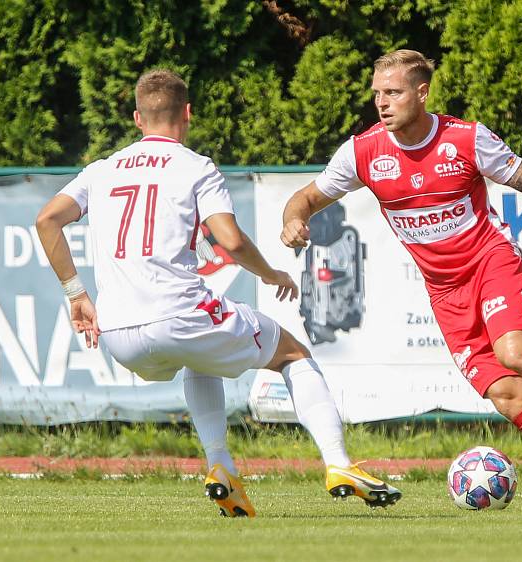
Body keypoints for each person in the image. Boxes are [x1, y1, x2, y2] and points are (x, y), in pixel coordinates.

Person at [281, 50, 522, 511]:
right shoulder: (363, 152)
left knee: (515, 353)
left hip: (490, 261)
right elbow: (303, 198)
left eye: (393, 93)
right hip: (444, 292)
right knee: (509, 398)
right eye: (377, 94)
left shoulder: (465, 140)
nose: (381, 103)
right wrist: (293, 221)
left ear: (422, 93)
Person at [36, 69, 401, 518]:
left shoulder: (101, 170)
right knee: (292, 354)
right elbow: (228, 239)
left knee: (200, 357)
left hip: (117, 333)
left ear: (136, 118)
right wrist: (270, 274)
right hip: (179, 314)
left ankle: (220, 467)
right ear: (187, 113)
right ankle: (339, 464)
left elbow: (47, 220)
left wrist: (76, 294)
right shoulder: (195, 166)